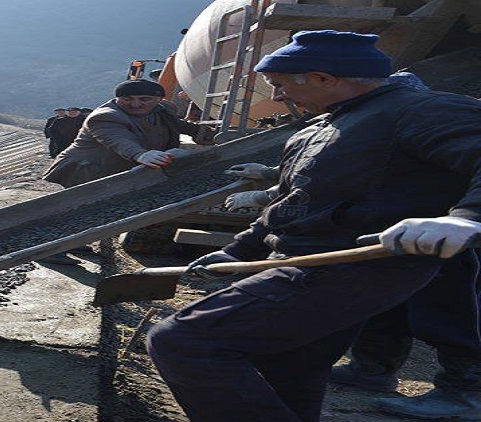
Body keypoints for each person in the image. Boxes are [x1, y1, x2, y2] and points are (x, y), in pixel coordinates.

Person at [144, 29, 481, 422]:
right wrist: (237, 251)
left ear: (324, 78)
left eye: (281, 85)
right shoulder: (317, 130)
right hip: (307, 263)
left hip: (350, 270)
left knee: (184, 340)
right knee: (288, 368)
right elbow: (293, 206)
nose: (278, 97)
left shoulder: (420, 111)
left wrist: (467, 218)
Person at [41, 79, 212, 188]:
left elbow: (185, 127)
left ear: (158, 100)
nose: (135, 104)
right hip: (85, 171)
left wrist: (212, 135)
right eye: (128, 99)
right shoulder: (105, 117)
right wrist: (141, 155)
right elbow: (118, 140)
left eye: (144, 99)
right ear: (117, 99)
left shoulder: (162, 111)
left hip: (121, 169)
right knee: (80, 211)